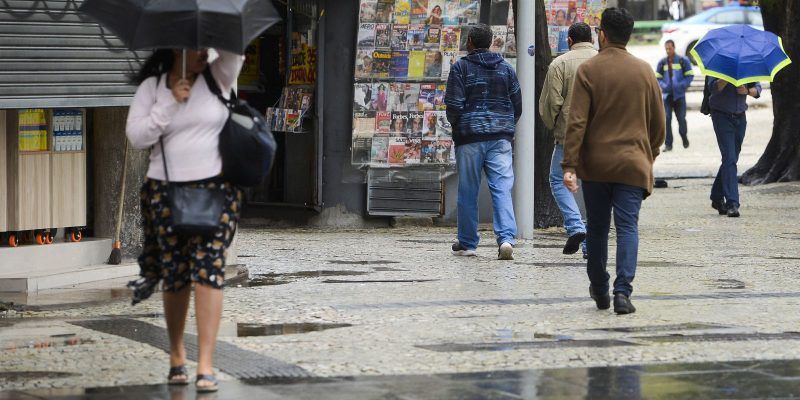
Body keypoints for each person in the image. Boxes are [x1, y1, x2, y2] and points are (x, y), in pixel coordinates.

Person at [126, 48, 245, 392]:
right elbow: (137, 138)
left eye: (204, 45)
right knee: (175, 274)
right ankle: (177, 354)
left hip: (215, 190)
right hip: (164, 192)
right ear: (173, 48)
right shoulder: (153, 87)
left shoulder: (219, 75)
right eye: (193, 46)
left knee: (209, 270)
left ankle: (205, 364)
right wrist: (169, 103)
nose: (200, 53)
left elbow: (235, 50)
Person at [562, 8, 665, 314]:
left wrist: (569, 165)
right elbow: (658, 124)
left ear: (602, 34)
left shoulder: (589, 71)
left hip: (596, 166)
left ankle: (599, 287)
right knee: (628, 227)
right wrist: (649, 155)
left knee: (596, 228)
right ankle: (623, 292)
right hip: (633, 164)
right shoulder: (645, 71)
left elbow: (576, 121)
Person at [445, 23, 522, 260]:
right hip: (500, 138)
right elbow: (517, 103)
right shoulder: (506, 69)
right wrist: (506, 127)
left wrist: (458, 126)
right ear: (490, 43)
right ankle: (506, 239)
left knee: (468, 190)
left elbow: (454, 105)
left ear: (469, 42)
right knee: (501, 189)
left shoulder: (460, 68)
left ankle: (468, 243)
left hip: (470, 137)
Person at [539, 22, 597, 258]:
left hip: (569, 137)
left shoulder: (559, 64)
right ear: (592, 39)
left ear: (570, 40)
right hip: (600, 137)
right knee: (597, 189)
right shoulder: (603, 62)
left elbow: (550, 104)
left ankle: (575, 227)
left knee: (558, 180)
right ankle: (590, 245)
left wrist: (555, 127)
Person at [708, 78, 761, 218]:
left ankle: (716, 195)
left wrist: (747, 91)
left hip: (740, 118)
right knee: (730, 158)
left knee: (731, 158)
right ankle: (732, 203)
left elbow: (758, 89)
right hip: (721, 116)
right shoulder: (719, 64)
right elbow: (713, 88)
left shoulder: (746, 65)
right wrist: (727, 77)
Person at [656, 39, 694, 151]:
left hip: (680, 96)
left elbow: (690, 76)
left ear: (674, 48)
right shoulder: (662, 62)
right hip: (667, 96)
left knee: (681, 119)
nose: (668, 51)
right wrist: (663, 85)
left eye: (670, 48)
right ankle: (668, 144)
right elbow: (658, 78)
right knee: (667, 119)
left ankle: (684, 136)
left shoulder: (683, 61)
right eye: (666, 49)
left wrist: (682, 85)